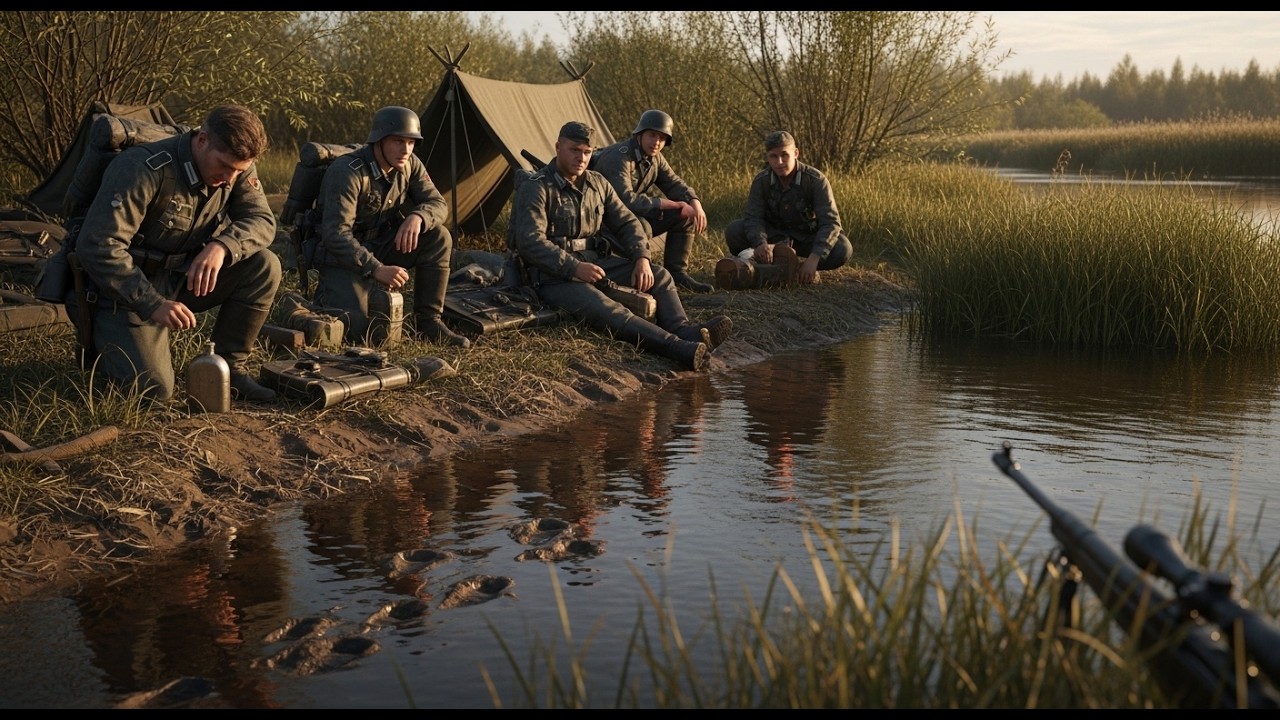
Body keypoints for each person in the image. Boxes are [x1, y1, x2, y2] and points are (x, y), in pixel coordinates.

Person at [73, 104, 281, 403]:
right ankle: (103, 351)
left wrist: (222, 246)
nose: (229, 179)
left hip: (180, 276)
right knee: (154, 391)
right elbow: (98, 246)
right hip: (121, 291)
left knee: (264, 265)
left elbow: (262, 221)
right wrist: (152, 303)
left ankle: (230, 367)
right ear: (202, 140)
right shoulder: (143, 168)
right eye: (224, 166)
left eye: (238, 171)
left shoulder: (235, 167)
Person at [508, 121, 731, 371]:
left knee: (660, 276)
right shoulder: (537, 186)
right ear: (558, 147)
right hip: (550, 275)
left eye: (587, 152)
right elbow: (530, 242)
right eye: (574, 150)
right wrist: (573, 267)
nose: (581, 158)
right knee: (607, 309)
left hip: (594, 262)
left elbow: (627, 222)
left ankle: (682, 330)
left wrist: (641, 258)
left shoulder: (597, 183)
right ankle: (676, 347)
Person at [311, 106, 470, 348]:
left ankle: (429, 321)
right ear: (379, 140)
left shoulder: (410, 164)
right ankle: (323, 299)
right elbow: (336, 234)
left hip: (382, 242)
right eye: (398, 141)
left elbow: (438, 203)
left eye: (411, 142)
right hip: (343, 256)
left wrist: (418, 217)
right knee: (361, 332)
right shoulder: (348, 172)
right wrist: (376, 269)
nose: (405, 149)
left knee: (439, 237)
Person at [590, 109, 713, 293]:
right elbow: (625, 200)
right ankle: (634, 274)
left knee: (684, 214)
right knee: (643, 226)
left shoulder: (655, 158)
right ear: (640, 134)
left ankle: (677, 273)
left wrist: (694, 201)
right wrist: (670, 204)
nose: (656, 142)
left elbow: (674, 183)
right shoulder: (619, 157)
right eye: (652, 135)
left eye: (662, 138)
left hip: (628, 217)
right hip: (603, 220)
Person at [721, 130, 853, 287]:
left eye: (784, 155)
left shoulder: (815, 180)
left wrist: (814, 258)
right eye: (773, 156)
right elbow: (753, 217)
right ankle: (770, 263)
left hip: (805, 238)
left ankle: (799, 268)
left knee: (842, 249)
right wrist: (760, 243)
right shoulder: (761, 181)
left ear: (796, 153)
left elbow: (831, 223)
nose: (779, 162)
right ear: (767, 157)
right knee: (734, 231)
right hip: (773, 237)